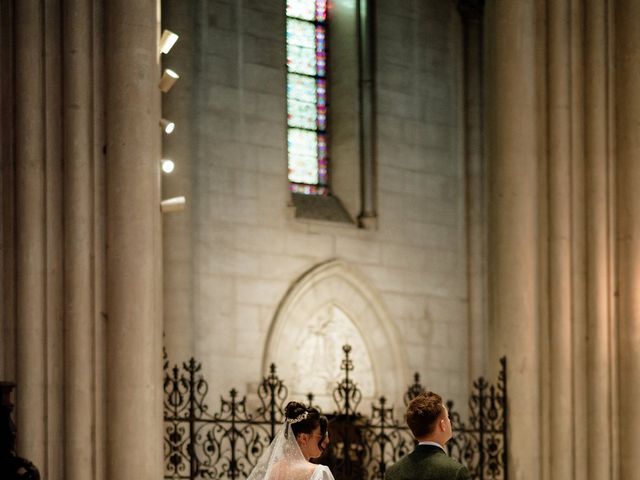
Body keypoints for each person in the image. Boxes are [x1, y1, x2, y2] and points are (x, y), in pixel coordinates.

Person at [385, 392, 470, 480]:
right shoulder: (456, 472)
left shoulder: (393, 472)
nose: (450, 421)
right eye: (448, 417)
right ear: (442, 425)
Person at [247, 401, 334, 480]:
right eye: (320, 435)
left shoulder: (273, 470)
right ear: (304, 438)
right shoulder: (320, 473)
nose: (325, 440)